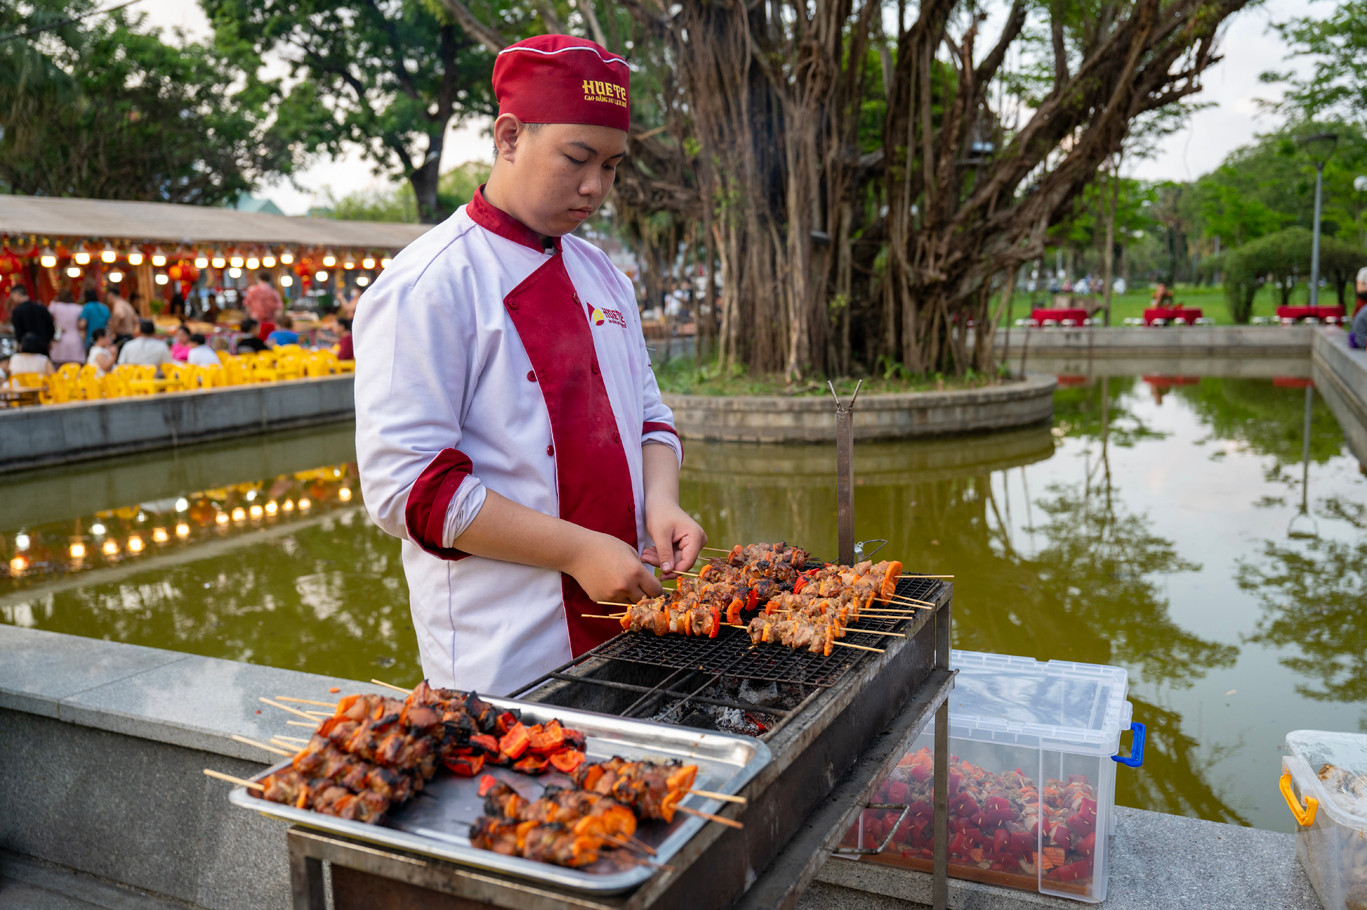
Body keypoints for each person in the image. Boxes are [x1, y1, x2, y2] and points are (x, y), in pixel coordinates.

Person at [354, 34, 703, 695]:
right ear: (509, 137)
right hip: (508, 652)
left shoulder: (603, 275)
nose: (595, 186)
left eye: (612, 165)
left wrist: (661, 502)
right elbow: (409, 489)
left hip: (630, 616)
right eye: (577, 158)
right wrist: (577, 550)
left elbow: (650, 418)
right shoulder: (429, 283)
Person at [9, 286, 55, 353]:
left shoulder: (17, 311)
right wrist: (49, 340)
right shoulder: (42, 308)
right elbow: (51, 327)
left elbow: (18, 331)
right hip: (43, 347)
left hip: (26, 348)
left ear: (17, 294)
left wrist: (20, 343)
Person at [47, 291, 86, 365]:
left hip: (60, 338)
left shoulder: (55, 306)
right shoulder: (78, 308)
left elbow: (47, 316)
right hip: (75, 339)